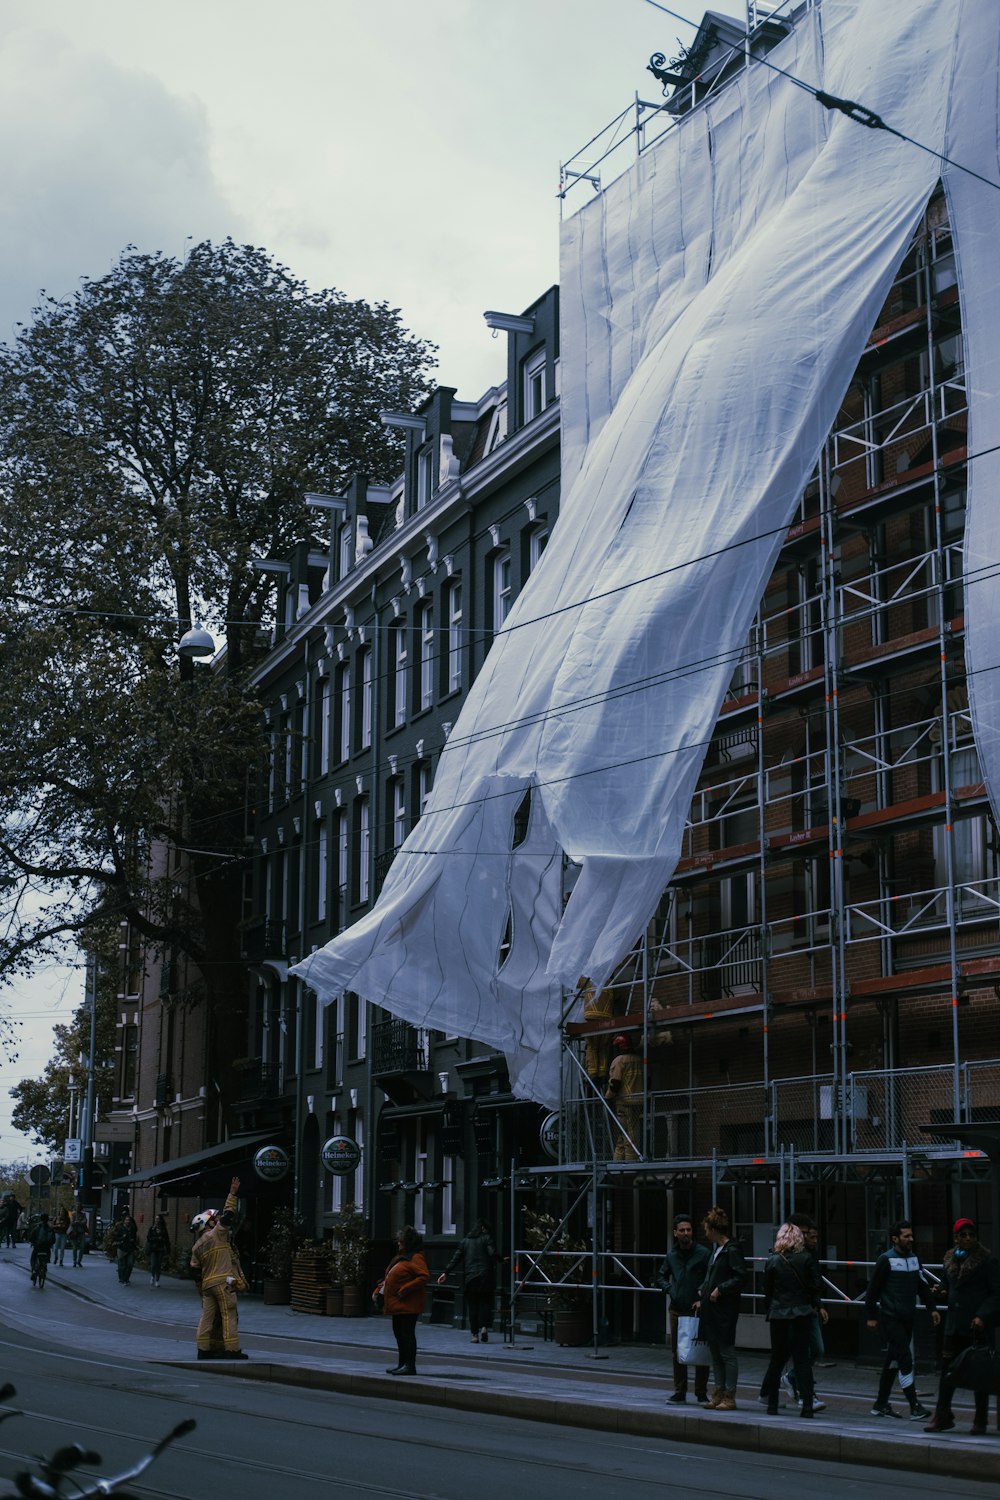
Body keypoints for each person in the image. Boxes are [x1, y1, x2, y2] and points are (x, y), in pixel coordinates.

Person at [925, 1216, 1000, 1436]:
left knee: (979, 1373)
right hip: (953, 1325)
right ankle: (942, 1416)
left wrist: (982, 1316)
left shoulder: (987, 1261)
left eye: (971, 1235)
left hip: (976, 1327)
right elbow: (948, 1284)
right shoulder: (950, 1260)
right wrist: (940, 1290)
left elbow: (997, 1293)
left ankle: (980, 1419)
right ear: (956, 1237)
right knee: (947, 1372)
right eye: (963, 1235)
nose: (968, 1238)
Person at [864, 1219, 939, 1420]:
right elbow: (873, 1291)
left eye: (911, 1235)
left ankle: (880, 1404)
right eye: (906, 1236)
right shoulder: (886, 1260)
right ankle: (914, 1405)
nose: (911, 1239)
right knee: (905, 1358)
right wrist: (871, 1316)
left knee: (893, 1360)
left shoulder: (914, 1259)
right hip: (891, 1318)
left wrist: (932, 1308)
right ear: (895, 1239)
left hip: (908, 1317)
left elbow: (922, 1285)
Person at [760, 1223, 821, 1419]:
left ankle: (772, 1404)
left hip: (779, 1315)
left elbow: (767, 1291)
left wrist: (770, 1309)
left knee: (777, 1359)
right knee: (802, 1360)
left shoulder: (773, 1261)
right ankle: (808, 1407)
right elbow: (814, 1286)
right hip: (801, 1314)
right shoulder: (806, 1259)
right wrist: (812, 1305)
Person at [693, 1205, 747, 1411]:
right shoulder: (718, 1250)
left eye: (707, 1229)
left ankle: (729, 1395)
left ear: (714, 1229)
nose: (705, 1233)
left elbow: (740, 1277)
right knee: (715, 1351)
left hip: (724, 1308)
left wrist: (719, 1290)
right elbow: (712, 1276)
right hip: (712, 1307)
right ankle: (719, 1392)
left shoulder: (731, 1250)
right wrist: (703, 1291)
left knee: (726, 1351)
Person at [190, 1178, 248, 1360]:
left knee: (207, 1317)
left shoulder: (196, 1247)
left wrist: (201, 1291)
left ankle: (203, 1349)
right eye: (213, 1220)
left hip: (207, 1287)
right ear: (207, 1225)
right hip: (223, 1282)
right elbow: (228, 1215)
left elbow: (194, 1272)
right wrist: (232, 1194)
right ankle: (232, 1349)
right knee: (229, 1313)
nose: (216, 1222)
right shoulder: (217, 1235)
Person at [656, 1213, 710, 1404]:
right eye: (682, 1230)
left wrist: (702, 1296)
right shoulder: (671, 1255)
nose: (686, 1233)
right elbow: (660, 1275)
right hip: (677, 1309)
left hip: (698, 1310)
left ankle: (701, 1392)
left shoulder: (703, 1253)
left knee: (701, 1350)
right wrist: (670, 1289)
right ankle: (680, 1391)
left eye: (688, 1230)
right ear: (675, 1233)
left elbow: (710, 1277)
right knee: (678, 1351)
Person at [377, 1225, 429, 1376]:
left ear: (408, 1243)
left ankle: (409, 1365)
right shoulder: (400, 1258)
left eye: (401, 1242)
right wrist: (378, 1291)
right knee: (399, 1334)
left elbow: (423, 1276)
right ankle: (402, 1363)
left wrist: (405, 1289)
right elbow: (388, 1278)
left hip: (408, 1304)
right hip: (397, 1305)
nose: (399, 1244)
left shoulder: (416, 1257)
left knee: (407, 1334)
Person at [437, 1219, 500, 1343]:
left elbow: (456, 1258)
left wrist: (446, 1272)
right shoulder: (487, 1238)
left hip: (471, 1278)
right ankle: (484, 1327)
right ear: (483, 1229)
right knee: (485, 1303)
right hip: (485, 1276)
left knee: (472, 1306)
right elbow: (492, 1253)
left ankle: (474, 1335)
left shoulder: (465, 1241)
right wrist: (501, 1259)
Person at [605, 1033, 642, 1162]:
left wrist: (607, 1096)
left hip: (624, 1102)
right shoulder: (639, 1060)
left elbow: (615, 1083)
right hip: (638, 1101)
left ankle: (628, 1165)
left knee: (626, 1135)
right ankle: (618, 1164)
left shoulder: (619, 1061)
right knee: (627, 1134)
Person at [28, 1213, 55, 1286]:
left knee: (33, 1258)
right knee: (46, 1258)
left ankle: (33, 1270)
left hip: (38, 1247)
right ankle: (45, 1267)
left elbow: (31, 1237)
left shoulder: (37, 1228)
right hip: (46, 1249)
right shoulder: (50, 1229)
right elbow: (53, 1240)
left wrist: (32, 1242)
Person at [146, 1213, 171, 1287]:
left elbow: (167, 1239)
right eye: (156, 1219)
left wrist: (168, 1249)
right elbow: (149, 1238)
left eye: (158, 1219)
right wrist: (157, 1239)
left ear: (160, 1220)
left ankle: (157, 1280)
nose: (157, 1220)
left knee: (158, 1265)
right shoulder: (152, 1228)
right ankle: (152, 1276)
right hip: (153, 1249)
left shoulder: (163, 1229)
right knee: (153, 1264)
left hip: (160, 1249)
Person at [116, 1210, 139, 1285]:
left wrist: (133, 1240)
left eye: (129, 1220)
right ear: (124, 1220)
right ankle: (122, 1278)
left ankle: (126, 1278)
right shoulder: (120, 1228)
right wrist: (122, 1238)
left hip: (130, 1248)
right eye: (126, 1220)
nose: (127, 1221)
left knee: (130, 1264)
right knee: (122, 1265)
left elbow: (135, 1236)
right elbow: (116, 1237)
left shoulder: (132, 1228)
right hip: (122, 1248)